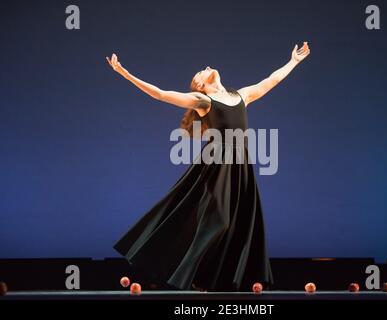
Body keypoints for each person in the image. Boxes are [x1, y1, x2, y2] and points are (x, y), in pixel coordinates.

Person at [106, 42, 310, 292]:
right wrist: (124, 73)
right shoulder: (203, 101)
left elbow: (270, 80)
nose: (204, 68)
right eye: (198, 73)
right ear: (200, 86)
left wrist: (293, 62)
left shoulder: (241, 96)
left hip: (240, 165)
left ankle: (212, 281)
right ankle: (189, 273)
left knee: (238, 222)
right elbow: (160, 93)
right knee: (219, 220)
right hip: (216, 164)